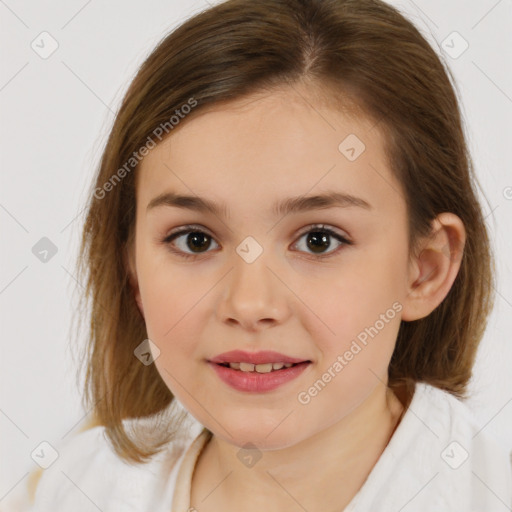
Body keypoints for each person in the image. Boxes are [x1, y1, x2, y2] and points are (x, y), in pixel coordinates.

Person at [18, 0, 512, 510]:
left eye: (319, 240)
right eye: (195, 240)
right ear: (133, 269)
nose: (249, 304)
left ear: (424, 271)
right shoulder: (71, 488)